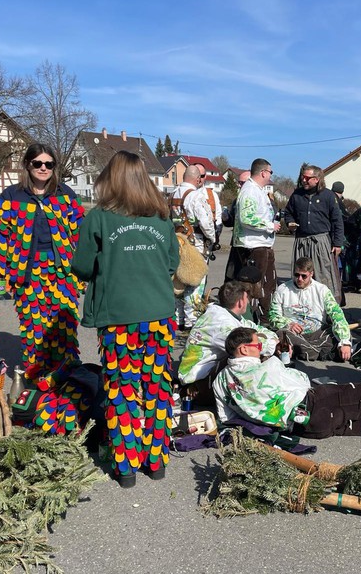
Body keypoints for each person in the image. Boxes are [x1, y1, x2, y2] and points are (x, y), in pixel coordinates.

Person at [72, 150, 180, 488]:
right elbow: (172, 263)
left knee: (123, 390)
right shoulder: (161, 218)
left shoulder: (99, 217)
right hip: (159, 315)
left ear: (111, 179)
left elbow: (81, 266)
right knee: (157, 388)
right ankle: (156, 462)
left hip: (119, 318)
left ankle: (127, 467)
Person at [214, 327, 361, 457]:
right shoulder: (268, 367)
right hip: (314, 403)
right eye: (258, 346)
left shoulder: (220, 382)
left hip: (304, 428)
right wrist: (283, 362)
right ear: (244, 349)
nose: (261, 349)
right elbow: (302, 381)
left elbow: (226, 418)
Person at [0, 143, 83, 380]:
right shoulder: (12, 195)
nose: (43, 168)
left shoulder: (65, 193)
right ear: (27, 165)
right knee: (33, 327)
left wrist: (88, 265)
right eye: (38, 163)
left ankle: (67, 377)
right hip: (27, 273)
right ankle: (37, 376)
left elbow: (80, 232)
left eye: (49, 164)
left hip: (62, 273)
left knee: (64, 326)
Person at [178, 281, 279, 403]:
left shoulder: (227, 314)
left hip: (207, 374)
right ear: (240, 302)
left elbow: (256, 328)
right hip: (198, 382)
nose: (248, 302)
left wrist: (273, 338)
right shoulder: (221, 323)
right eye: (247, 299)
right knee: (247, 357)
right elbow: (252, 347)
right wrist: (273, 343)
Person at [225, 159, 280, 320]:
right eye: (270, 172)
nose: (270, 175)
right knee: (254, 288)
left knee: (267, 285)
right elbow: (246, 218)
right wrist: (269, 226)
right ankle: (252, 319)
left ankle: (264, 318)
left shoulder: (258, 190)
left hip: (262, 245)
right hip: (253, 247)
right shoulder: (250, 191)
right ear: (263, 172)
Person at [269, 257, 352, 362]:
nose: (299, 279)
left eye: (304, 276)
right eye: (296, 275)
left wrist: (344, 342)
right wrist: (288, 324)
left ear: (311, 274)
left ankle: (302, 351)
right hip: (293, 334)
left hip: (318, 333)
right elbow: (273, 317)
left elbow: (337, 315)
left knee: (340, 335)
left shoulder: (322, 290)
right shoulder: (282, 289)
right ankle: (321, 352)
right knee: (281, 335)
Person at [284, 164, 345, 304]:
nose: (303, 180)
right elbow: (288, 213)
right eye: (303, 177)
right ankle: (300, 305)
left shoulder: (328, 195)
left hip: (321, 242)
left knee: (323, 275)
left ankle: (326, 307)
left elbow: (337, 221)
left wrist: (337, 243)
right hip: (301, 242)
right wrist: (290, 222)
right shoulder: (296, 195)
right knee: (301, 275)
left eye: (307, 178)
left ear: (317, 179)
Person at [171, 165, 216, 329]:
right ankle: (192, 319)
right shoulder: (196, 196)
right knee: (195, 280)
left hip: (176, 241)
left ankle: (178, 318)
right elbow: (206, 222)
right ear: (197, 179)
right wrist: (212, 238)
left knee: (178, 281)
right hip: (194, 243)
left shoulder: (172, 195)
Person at [195, 162, 223, 249]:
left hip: (206, 243)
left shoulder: (212, 195)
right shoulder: (182, 194)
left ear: (205, 176)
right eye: (197, 176)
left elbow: (218, 217)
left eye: (202, 176)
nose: (199, 179)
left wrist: (214, 237)